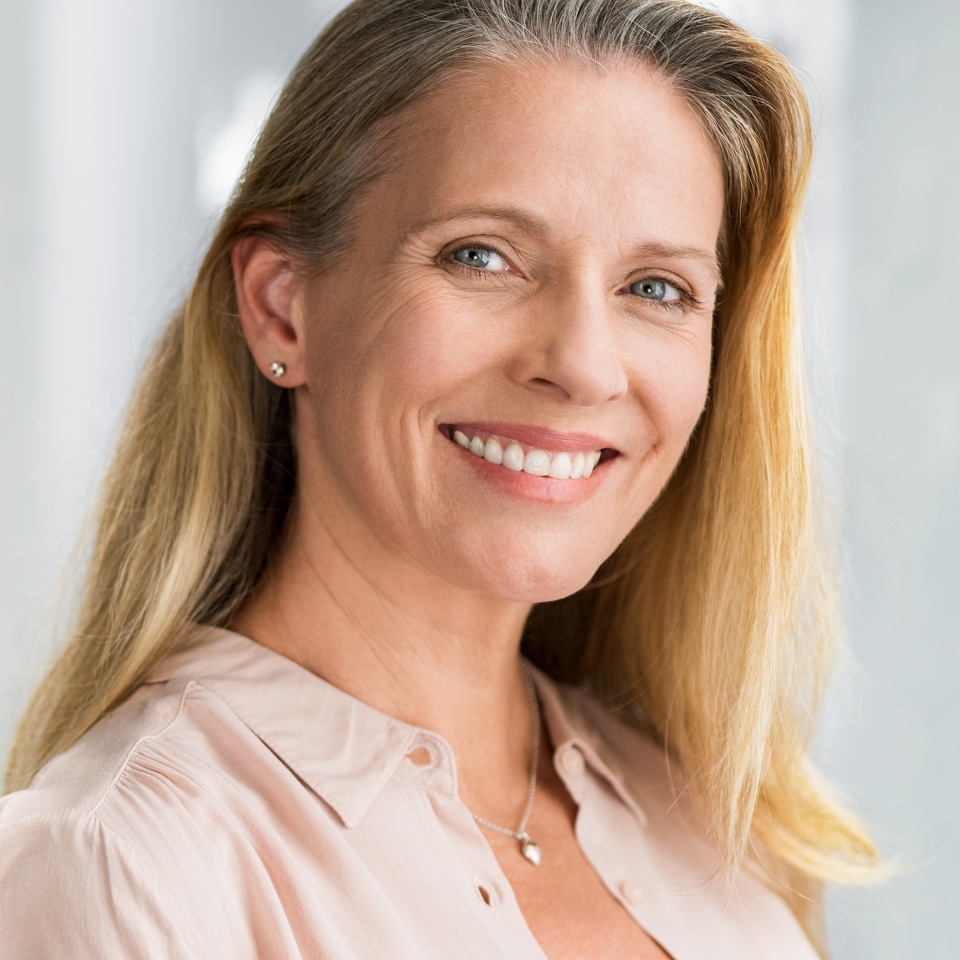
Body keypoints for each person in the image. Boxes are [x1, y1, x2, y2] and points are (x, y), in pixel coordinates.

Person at [0, 0, 882, 956]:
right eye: (483, 256)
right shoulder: (119, 866)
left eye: (655, 287)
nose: (584, 366)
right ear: (281, 308)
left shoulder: (719, 833)